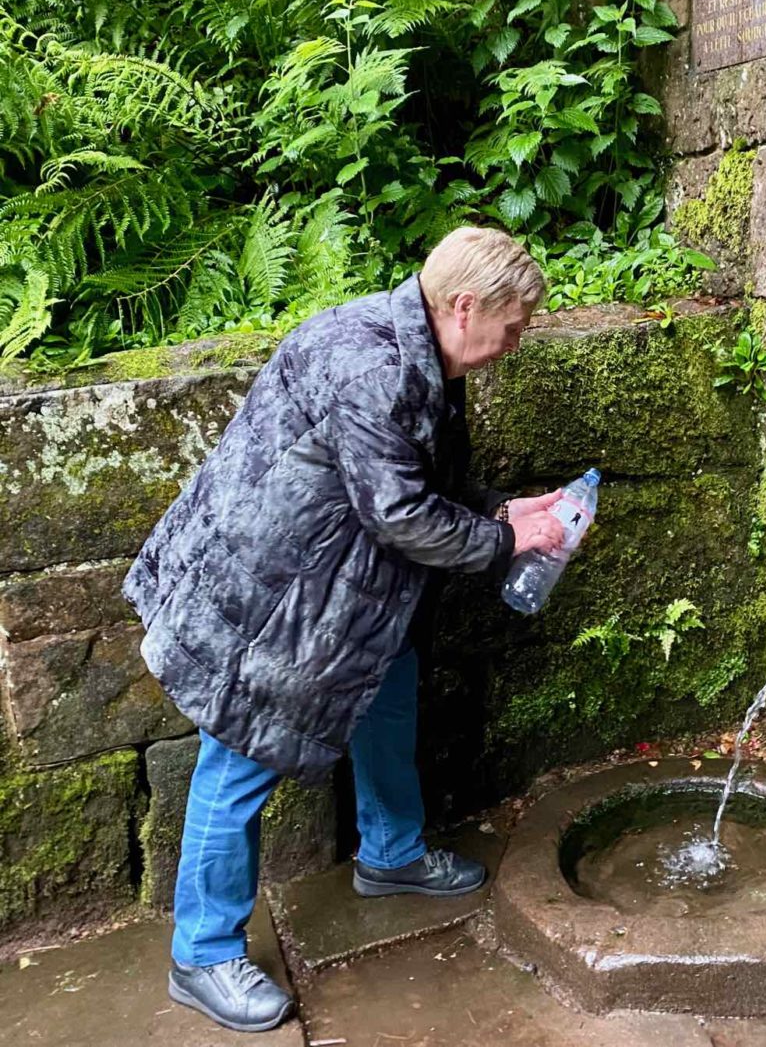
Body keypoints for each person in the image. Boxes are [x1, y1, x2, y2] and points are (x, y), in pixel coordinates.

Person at [123, 226, 566, 1033]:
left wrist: (501, 513)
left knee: (388, 699)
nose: (518, 339)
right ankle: (203, 951)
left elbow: (429, 479)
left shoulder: (424, 348)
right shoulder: (370, 365)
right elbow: (399, 513)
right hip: (266, 601)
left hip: (347, 593)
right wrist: (506, 540)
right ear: (464, 306)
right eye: (515, 323)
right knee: (238, 761)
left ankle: (391, 855)